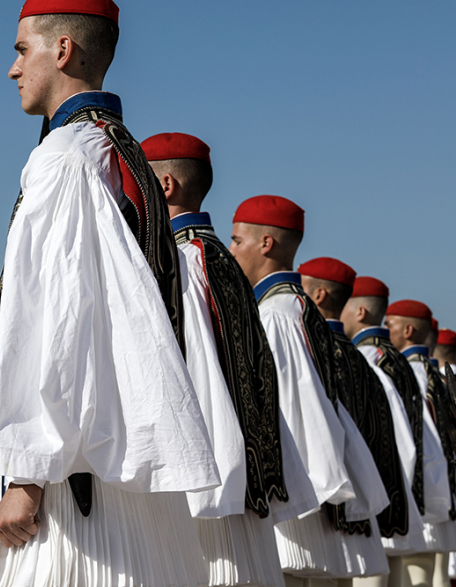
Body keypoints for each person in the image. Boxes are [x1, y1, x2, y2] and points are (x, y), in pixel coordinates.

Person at [0, 2, 221, 585]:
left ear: (62, 50)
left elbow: (56, 320)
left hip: (67, 473)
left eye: (22, 50)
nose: (13, 68)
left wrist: (24, 476)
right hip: (118, 459)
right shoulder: (124, 154)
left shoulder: (65, 158)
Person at [142, 133, 318, 587]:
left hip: (206, 492)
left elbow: (194, 378)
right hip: (237, 484)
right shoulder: (218, 258)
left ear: (163, 186)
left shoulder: (178, 262)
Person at [229, 195, 388, 582]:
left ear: (266, 244)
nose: (231, 251)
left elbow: (286, 405)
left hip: (291, 503)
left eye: (237, 240)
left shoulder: (274, 315)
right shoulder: (299, 309)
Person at [298, 259, 411, 542]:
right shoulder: (367, 357)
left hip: (342, 496)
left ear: (360, 311)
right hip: (363, 495)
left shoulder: (369, 357)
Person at [342, 277, 437, 587]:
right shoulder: (397, 361)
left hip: (380, 500)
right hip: (399, 498)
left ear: (359, 312)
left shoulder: (372, 361)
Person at [385, 300, 456, 587]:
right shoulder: (435, 376)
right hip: (441, 488)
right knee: (431, 571)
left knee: (414, 573)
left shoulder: (406, 373)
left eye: (390, 325)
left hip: (418, 487)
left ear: (409, 330)